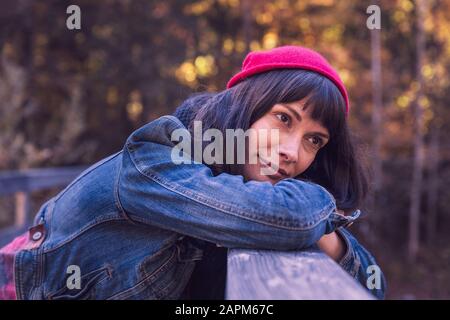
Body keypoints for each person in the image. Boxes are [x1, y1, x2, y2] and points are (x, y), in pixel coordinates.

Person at [0, 45, 386, 300]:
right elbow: (293, 218)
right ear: (244, 109)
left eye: (314, 141)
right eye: (283, 119)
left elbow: (374, 285)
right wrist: (320, 212)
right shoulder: (156, 161)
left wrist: (330, 239)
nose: (292, 153)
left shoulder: (241, 186)